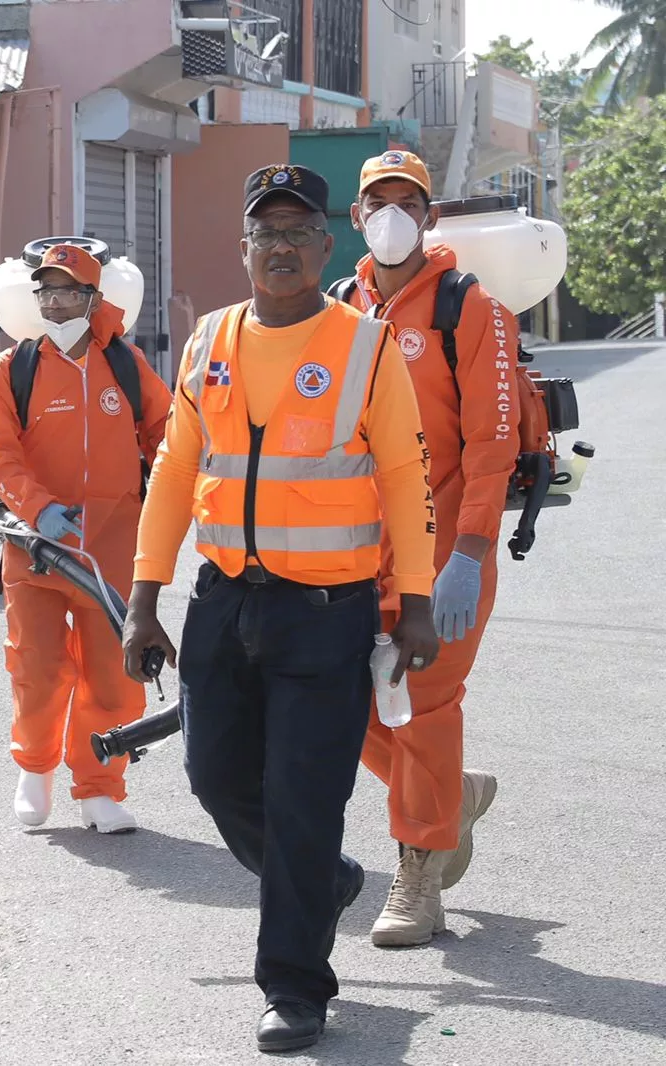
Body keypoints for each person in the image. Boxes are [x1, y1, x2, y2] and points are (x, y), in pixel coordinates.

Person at [121, 164, 441, 1053]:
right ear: (245, 248)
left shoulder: (366, 345)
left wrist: (413, 599)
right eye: (268, 232)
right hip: (222, 603)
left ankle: (295, 989)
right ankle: (324, 882)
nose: (284, 247)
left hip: (327, 613)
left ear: (326, 245)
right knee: (216, 780)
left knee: (304, 802)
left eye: (301, 231)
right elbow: (175, 472)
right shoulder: (209, 340)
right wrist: (144, 599)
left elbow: (406, 475)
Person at [337, 150, 517, 947]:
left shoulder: (463, 305)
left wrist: (470, 553)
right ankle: (452, 798)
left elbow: (491, 441)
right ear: (355, 216)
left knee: (426, 704)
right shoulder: (339, 306)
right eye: (379, 201)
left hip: (444, 554)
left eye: (408, 201)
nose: (392, 215)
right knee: (349, 706)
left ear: (430, 217)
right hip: (352, 553)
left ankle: (418, 876)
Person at [0, 243, 172, 834]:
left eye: (66, 292)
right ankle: (35, 771)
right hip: (36, 548)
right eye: (46, 293)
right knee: (36, 669)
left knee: (111, 679)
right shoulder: (13, 369)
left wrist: (174, 511)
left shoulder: (128, 368)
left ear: (94, 299)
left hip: (112, 551)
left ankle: (100, 790)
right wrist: (38, 510)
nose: (54, 305)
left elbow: (168, 440)